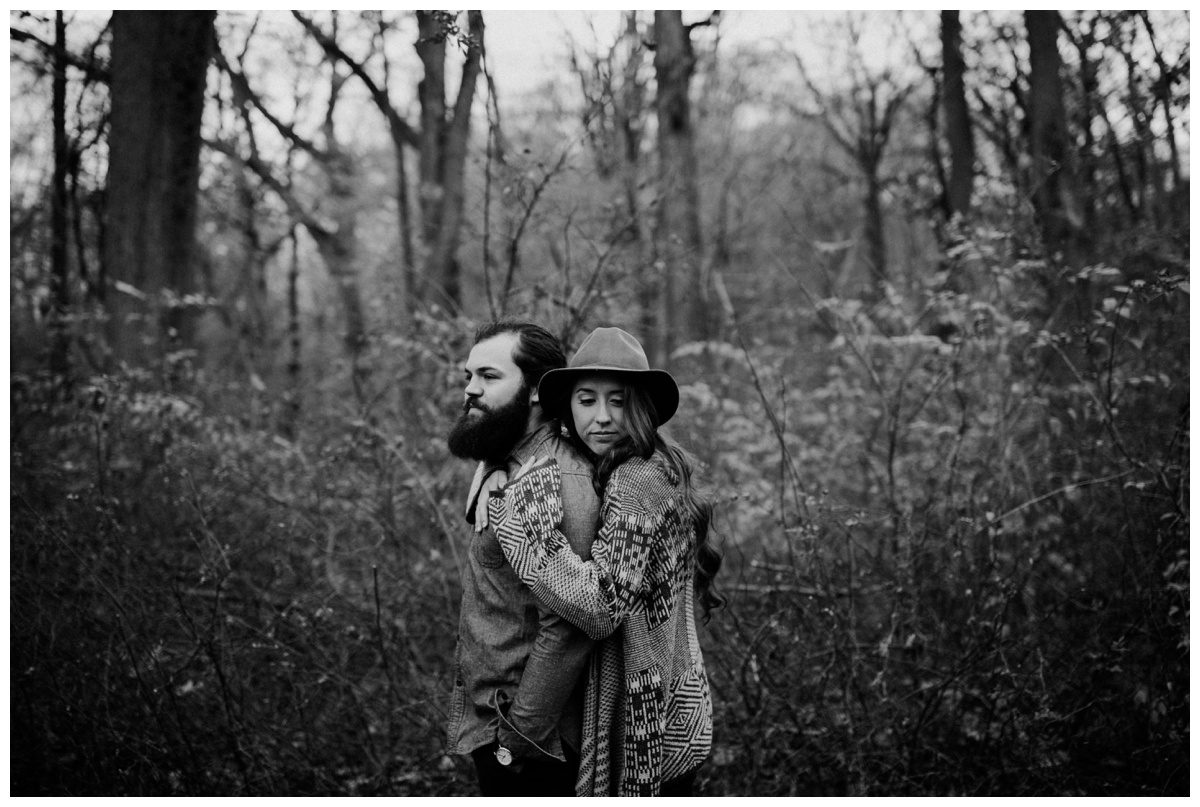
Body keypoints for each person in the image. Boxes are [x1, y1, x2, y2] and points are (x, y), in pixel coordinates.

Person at [488, 326, 724, 796]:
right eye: (587, 400)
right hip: (673, 703)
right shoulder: (645, 465)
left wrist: (521, 521)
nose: (601, 417)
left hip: (653, 723)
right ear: (568, 407)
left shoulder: (637, 479)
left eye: (617, 401)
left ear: (640, 407)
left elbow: (601, 607)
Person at [444, 320, 601, 796]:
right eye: (469, 376)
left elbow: (572, 621)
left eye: (489, 377)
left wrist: (517, 738)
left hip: (534, 743)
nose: (471, 390)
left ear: (535, 390)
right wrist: (490, 467)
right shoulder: (510, 458)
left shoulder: (558, 481)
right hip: (498, 720)